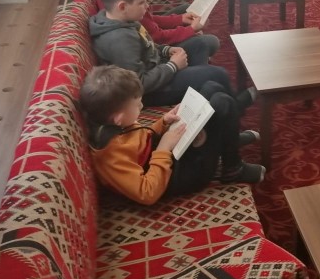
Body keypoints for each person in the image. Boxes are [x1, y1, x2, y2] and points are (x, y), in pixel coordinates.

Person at [80, 65, 264, 205]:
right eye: (137, 105)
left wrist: (163, 122)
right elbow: (147, 193)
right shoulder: (110, 154)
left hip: (167, 158)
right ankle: (233, 169)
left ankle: (228, 139)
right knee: (221, 102)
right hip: (180, 177)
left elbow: (140, 138)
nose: (141, 107)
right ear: (119, 119)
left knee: (211, 87)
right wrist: (164, 148)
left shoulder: (114, 123)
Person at [90, 0, 254, 108]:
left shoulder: (121, 18)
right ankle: (234, 106)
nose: (147, 6)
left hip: (158, 68)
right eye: (142, 3)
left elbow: (147, 44)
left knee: (200, 44)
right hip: (151, 92)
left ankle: (204, 92)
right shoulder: (119, 40)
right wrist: (173, 66)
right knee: (218, 74)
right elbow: (138, 84)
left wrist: (166, 50)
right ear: (122, 6)